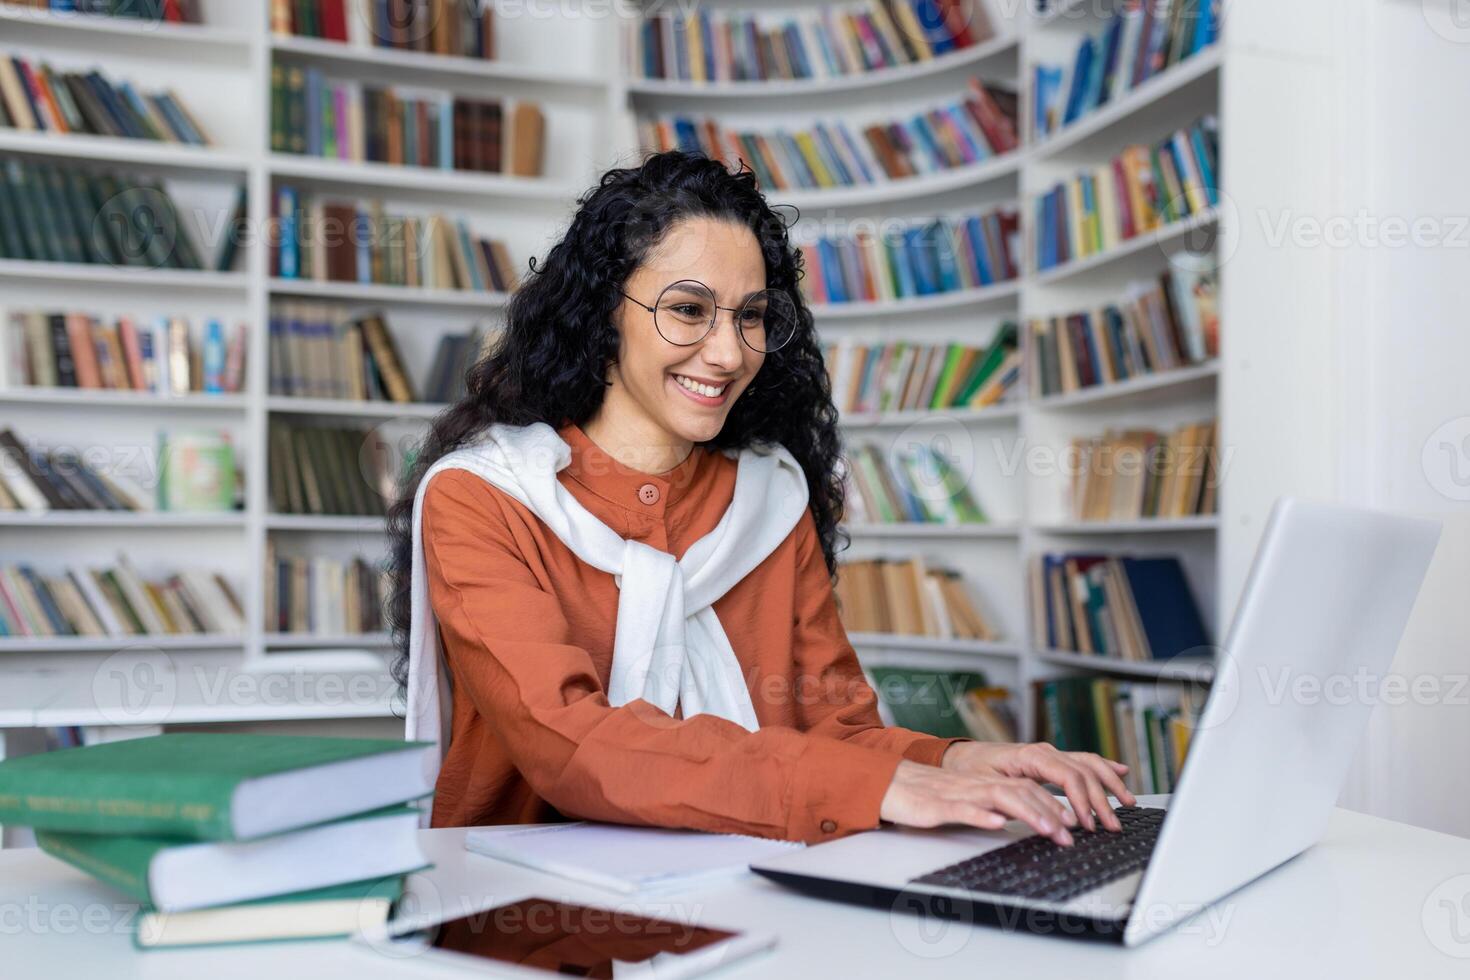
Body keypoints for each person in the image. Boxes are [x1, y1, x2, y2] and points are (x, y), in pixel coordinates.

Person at [386, 150, 1134, 847]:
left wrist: (957, 759)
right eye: (687, 309)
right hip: (530, 905)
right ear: (602, 313)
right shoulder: (481, 500)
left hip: (751, 881)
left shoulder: (768, 499)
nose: (728, 352)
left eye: (749, 316)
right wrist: (876, 785)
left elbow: (836, 733)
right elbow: (572, 744)